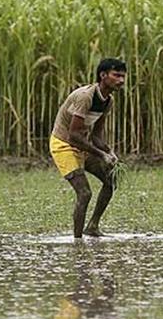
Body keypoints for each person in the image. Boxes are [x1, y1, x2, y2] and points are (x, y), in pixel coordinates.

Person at [49, 58, 126, 238]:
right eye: (116, 75)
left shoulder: (108, 101)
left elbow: (96, 136)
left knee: (110, 181)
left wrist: (109, 152)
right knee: (84, 194)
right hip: (63, 145)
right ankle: (78, 241)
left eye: (123, 76)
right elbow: (73, 136)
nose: (121, 80)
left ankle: (92, 226)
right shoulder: (85, 96)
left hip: (82, 143)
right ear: (103, 75)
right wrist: (100, 154)